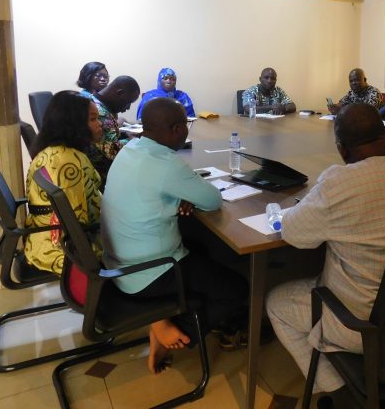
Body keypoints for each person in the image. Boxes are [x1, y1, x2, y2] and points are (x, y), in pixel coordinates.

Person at [265, 103, 385, 405]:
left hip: (364, 324)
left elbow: (295, 234)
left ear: (341, 149)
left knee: (276, 303)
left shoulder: (339, 182)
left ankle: (343, 395)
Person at [100, 98, 249, 374]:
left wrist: (183, 193)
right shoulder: (167, 165)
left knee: (200, 242)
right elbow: (213, 200)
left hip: (116, 263)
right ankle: (174, 332)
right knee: (238, 288)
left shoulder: (131, 148)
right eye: (187, 126)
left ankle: (169, 316)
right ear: (177, 129)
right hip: (152, 273)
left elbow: (165, 189)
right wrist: (188, 191)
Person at [25, 90, 102, 275]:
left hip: (41, 239)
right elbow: (77, 225)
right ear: (74, 124)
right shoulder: (68, 163)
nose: (99, 125)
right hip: (62, 250)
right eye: (93, 119)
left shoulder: (51, 151)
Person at [87, 75, 140, 185]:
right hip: (100, 177)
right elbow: (113, 151)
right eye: (128, 101)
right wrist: (132, 139)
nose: (128, 107)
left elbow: (104, 137)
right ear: (119, 93)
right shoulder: (100, 112)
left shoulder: (93, 101)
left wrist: (123, 133)